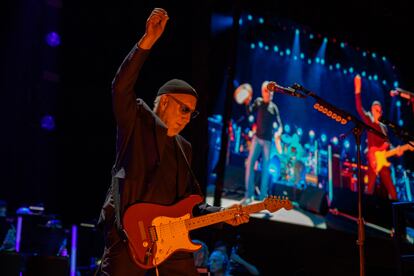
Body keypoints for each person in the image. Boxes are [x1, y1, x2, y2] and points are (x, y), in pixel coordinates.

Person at [97, 8, 248, 276]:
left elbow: (193, 202)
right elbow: (120, 87)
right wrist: (147, 41)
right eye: (185, 109)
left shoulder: (184, 148)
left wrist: (224, 214)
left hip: (171, 240)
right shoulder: (138, 121)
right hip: (130, 233)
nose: (189, 118)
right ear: (165, 101)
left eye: (193, 112)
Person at [354, 74, 401, 200]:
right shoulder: (369, 120)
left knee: (391, 188)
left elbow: (387, 143)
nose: (378, 112)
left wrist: (397, 150)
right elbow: (359, 108)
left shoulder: (384, 127)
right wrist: (358, 89)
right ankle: (366, 213)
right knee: (370, 187)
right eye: (376, 110)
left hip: (383, 159)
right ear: (372, 110)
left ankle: (398, 213)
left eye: (379, 111)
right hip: (373, 159)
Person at [243, 81, 283, 203]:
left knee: (265, 169)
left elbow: (280, 125)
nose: (269, 93)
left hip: (267, 142)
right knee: (250, 164)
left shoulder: (274, 107)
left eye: (271, 91)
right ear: (263, 92)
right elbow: (249, 111)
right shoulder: (258, 102)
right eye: (267, 90)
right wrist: (247, 103)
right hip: (257, 139)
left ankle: (262, 199)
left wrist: (278, 132)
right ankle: (249, 195)